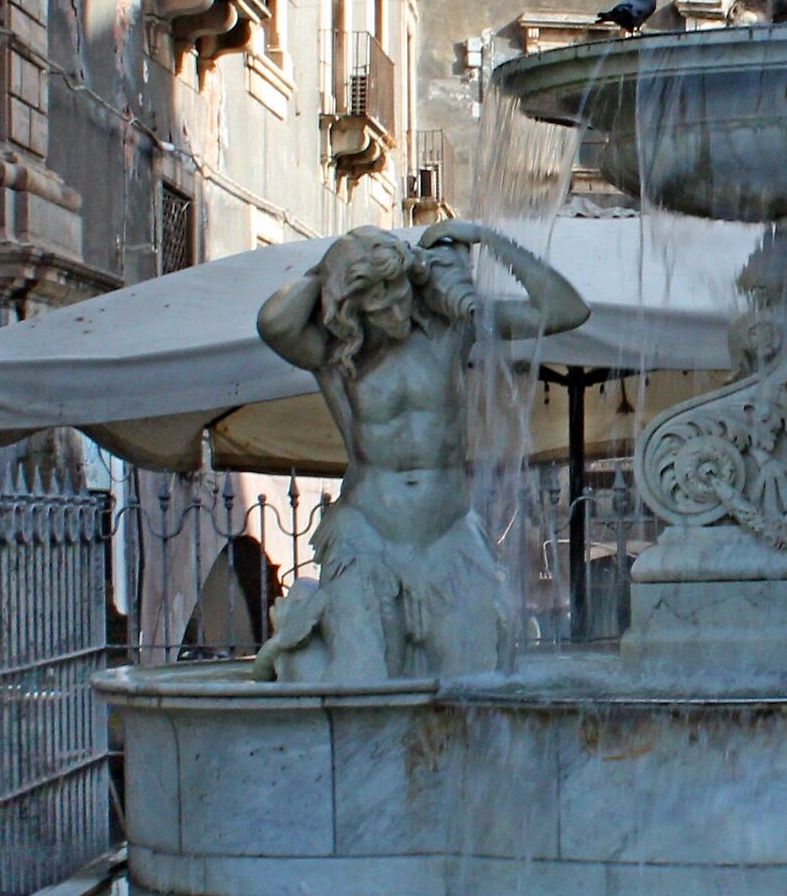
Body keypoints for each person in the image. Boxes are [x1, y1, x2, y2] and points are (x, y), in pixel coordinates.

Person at [251, 221, 588, 683]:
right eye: (376, 296)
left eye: (398, 287)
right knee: (361, 679)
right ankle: (297, 642)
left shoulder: (452, 329)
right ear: (351, 306)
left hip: (447, 533)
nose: (393, 305)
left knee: (479, 678)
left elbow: (566, 310)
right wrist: (334, 267)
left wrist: (491, 243)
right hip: (367, 534)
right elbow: (274, 323)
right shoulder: (336, 354)